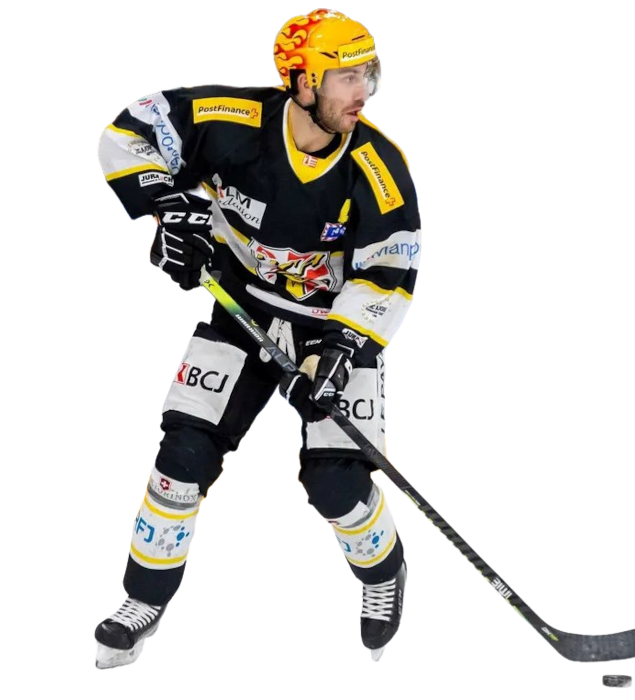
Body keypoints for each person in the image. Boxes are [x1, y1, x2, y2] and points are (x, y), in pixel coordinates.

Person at [94, 8, 421, 669]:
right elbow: (128, 132)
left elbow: (388, 274)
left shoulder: (380, 168)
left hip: (332, 330)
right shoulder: (230, 118)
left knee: (335, 484)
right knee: (181, 458)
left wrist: (340, 351)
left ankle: (385, 572)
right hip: (241, 311)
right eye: (345, 76)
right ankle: (143, 600)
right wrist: (168, 208)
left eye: (369, 74)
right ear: (302, 81)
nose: (362, 91)